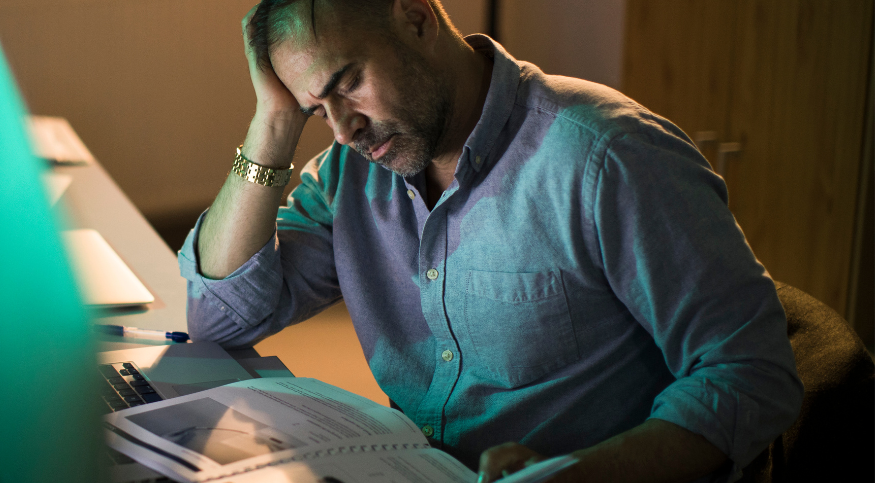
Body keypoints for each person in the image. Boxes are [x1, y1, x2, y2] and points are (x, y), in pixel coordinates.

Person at [176, 0, 803, 481]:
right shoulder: (352, 174)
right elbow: (220, 318)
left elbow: (752, 373)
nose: (343, 130)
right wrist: (273, 123)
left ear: (417, 18)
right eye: (317, 109)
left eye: (347, 82)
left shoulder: (607, 157)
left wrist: (578, 475)